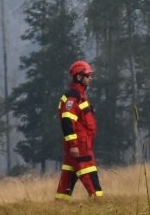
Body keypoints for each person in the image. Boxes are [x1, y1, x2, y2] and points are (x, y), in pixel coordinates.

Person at [56, 59, 104, 199]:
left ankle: (60, 206)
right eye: (87, 76)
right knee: (90, 175)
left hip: (80, 145)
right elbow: (67, 120)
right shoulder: (73, 97)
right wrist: (74, 146)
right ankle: (99, 203)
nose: (90, 78)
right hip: (79, 147)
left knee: (66, 181)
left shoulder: (81, 97)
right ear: (78, 77)